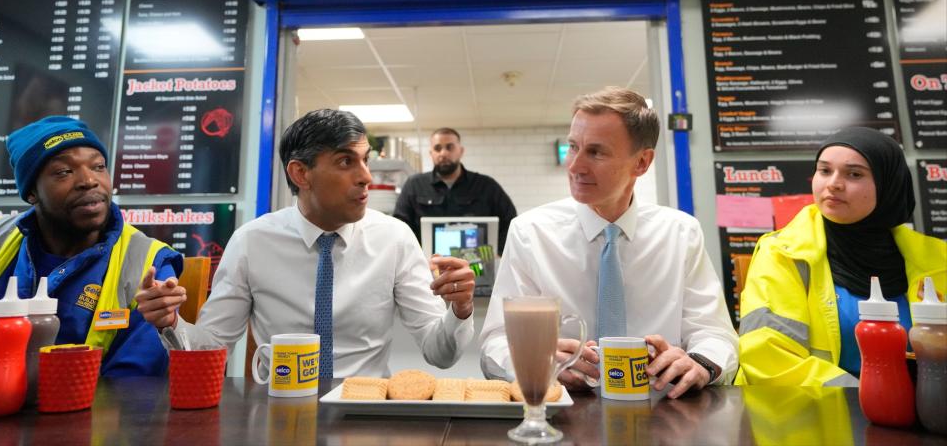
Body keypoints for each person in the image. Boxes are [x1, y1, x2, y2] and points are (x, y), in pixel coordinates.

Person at [135, 109, 476, 377]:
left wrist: (459, 311)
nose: (366, 177)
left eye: (365, 160)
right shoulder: (252, 242)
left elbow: (440, 354)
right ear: (301, 174)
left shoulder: (395, 238)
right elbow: (211, 348)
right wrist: (171, 323)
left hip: (363, 414)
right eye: (346, 161)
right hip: (278, 413)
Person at [479, 87, 738, 398]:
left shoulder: (681, 233)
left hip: (664, 410)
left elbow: (715, 332)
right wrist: (536, 361)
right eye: (573, 147)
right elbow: (495, 343)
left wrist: (699, 363)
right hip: (563, 415)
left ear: (641, 163)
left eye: (596, 152)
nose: (575, 166)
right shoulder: (530, 233)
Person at [736, 126, 947, 386]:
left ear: (887, 185)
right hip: (815, 412)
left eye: (854, 174)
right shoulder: (783, 252)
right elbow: (768, 357)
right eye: (824, 170)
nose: (833, 183)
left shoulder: (938, 257)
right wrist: (868, 400)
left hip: (925, 413)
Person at [0, 116, 183, 377]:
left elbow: (133, 383)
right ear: (31, 192)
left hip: (91, 413)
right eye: (64, 172)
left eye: (99, 167)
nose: (89, 180)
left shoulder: (148, 263)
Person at [393, 127, 517, 255]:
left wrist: (498, 253)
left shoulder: (485, 186)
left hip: (476, 266)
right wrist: (413, 256)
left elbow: (510, 221)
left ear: (461, 151)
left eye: (449, 147)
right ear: (431, 153)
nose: (443, 153)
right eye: (437, 148)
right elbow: (400, 226)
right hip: (428, 267)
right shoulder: (414, 185)